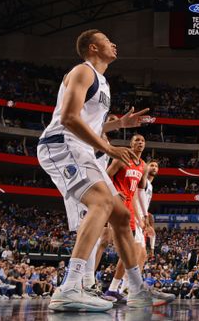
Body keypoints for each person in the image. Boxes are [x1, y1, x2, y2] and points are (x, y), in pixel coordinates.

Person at [37, 29, 175, 311]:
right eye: (106, 40)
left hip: (81, 148)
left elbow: (91, 122)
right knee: (100, 202)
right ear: (92, 48)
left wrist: (119, 126)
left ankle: (136, 290)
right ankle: (70, 287)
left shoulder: (102, 82)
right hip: (61, 145)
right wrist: (110, 148)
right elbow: (69, 118)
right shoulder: (82, 71)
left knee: (122, 217)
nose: (114, 43)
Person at [104, 134, 150, 300]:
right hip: (115, 204)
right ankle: (88, 283)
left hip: (129, 209)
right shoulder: (121, 158)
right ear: (131, 143)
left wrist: (143, 216)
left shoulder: (143, 166)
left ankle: (114, 289)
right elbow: (105, 176)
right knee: (106, 242)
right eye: (137, 140)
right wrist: (115, 192)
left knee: (129, 251)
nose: (140, 142)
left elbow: (139, 192)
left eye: (142, 140)